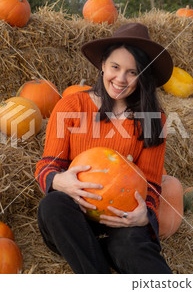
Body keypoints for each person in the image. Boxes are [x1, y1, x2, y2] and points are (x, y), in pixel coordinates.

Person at [34, 23, 174, 274]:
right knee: (52, 206)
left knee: (131, 247)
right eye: (115, 67)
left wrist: (146, 215)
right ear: (102, 65)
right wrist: (58, 180)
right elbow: (47, 165)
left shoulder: (153, 119)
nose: (120, 79)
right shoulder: (71, 105)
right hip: (73, 220)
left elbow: (151, 183)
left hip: (121, 220)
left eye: (133, 72)